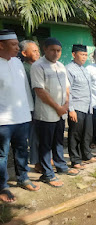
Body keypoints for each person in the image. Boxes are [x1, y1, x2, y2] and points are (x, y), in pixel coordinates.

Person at [31, 38, 80, 188]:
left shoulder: (60, 66)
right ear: (44, 49)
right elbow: (40, 91)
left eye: (58, 50)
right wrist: (57, 107)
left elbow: (66, 87)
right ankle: (48, 174)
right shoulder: (38, 66)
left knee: (58, 141)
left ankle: (61, 166)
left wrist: (65, 105)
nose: (56, 53)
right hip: (46, 114)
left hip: (61, 112)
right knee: (45, 145)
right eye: (52, 50)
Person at [0, 29, 39, 203]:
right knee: (2, 155)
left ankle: (23, 178)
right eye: (14, 44)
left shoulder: (17, 63)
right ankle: (2, 186)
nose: (18, 47)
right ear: (1, 45)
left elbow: (25, 89)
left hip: (22, 117)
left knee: (22, 150)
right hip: (3, 120)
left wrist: (29, 111)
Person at [66, 44, 96, 170]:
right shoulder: (69, 69)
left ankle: (87, 155)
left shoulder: (84, 69)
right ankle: (75, 160)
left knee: (87, 134)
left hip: (88, 107)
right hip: (77, 108)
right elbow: (67, 91)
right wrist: (71, 109)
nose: (84, 57)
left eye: (86, 55)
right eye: (82, 54)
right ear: (74, 54)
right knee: (75, 135)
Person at [19, 40, 42, 173]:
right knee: (34, 136)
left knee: (43, 135)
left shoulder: (40, 66)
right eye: (34, 51)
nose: (37, 53)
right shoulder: (23, 68)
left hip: (42, 106)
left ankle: (45, 158)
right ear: (24, 53)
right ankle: (36, 162)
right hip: (30, 107)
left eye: (38, 50)